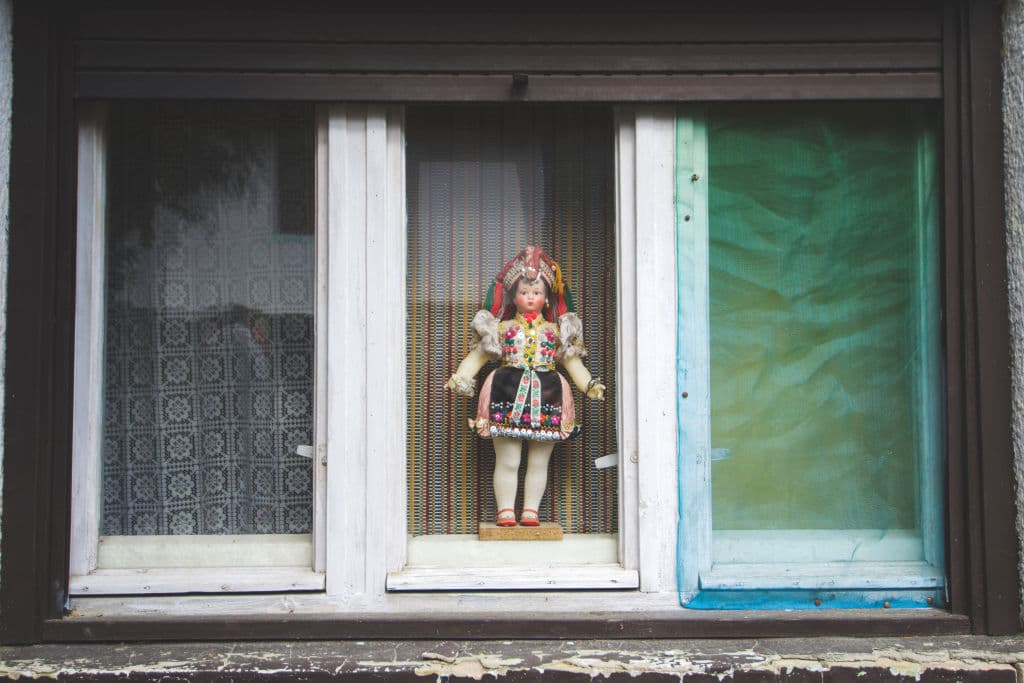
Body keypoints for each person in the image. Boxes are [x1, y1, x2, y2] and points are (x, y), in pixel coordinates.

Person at [446, 246, 605, 528]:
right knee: (508, 459)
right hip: (506, 391)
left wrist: (589, 384)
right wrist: (462, 376)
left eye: (536, 292)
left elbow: (572, 364)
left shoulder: (556, 333)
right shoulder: (502, 329)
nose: (530, 297)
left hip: (548, 395)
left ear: (546, 299)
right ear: (514, 296)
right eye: (524, 291)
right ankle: (505, 510)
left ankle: (531, 510)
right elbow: (480, 355)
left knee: (539, 461)